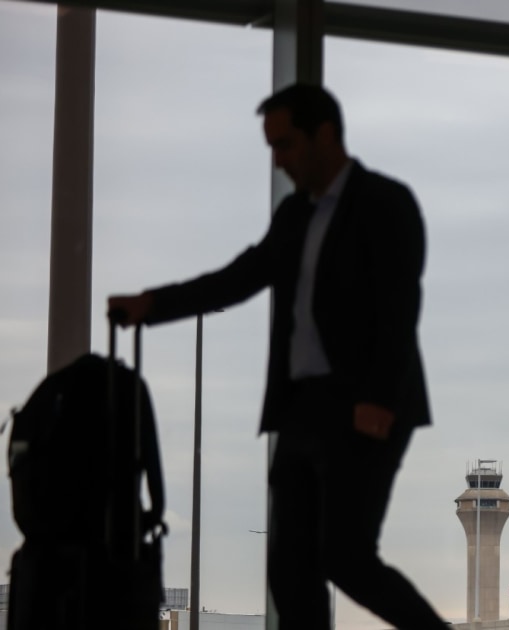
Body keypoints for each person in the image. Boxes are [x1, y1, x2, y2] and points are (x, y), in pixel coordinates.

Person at [108, 84, 444, 630]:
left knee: (346, 558)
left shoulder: (386, 202)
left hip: (363, 407)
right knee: (290, 572)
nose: (278, 160)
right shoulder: (293, 216)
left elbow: (401, 307)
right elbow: (238, 278)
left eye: (286, 145)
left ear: (325, 135)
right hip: (303, 408)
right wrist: (152, 305)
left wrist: (379, 399)